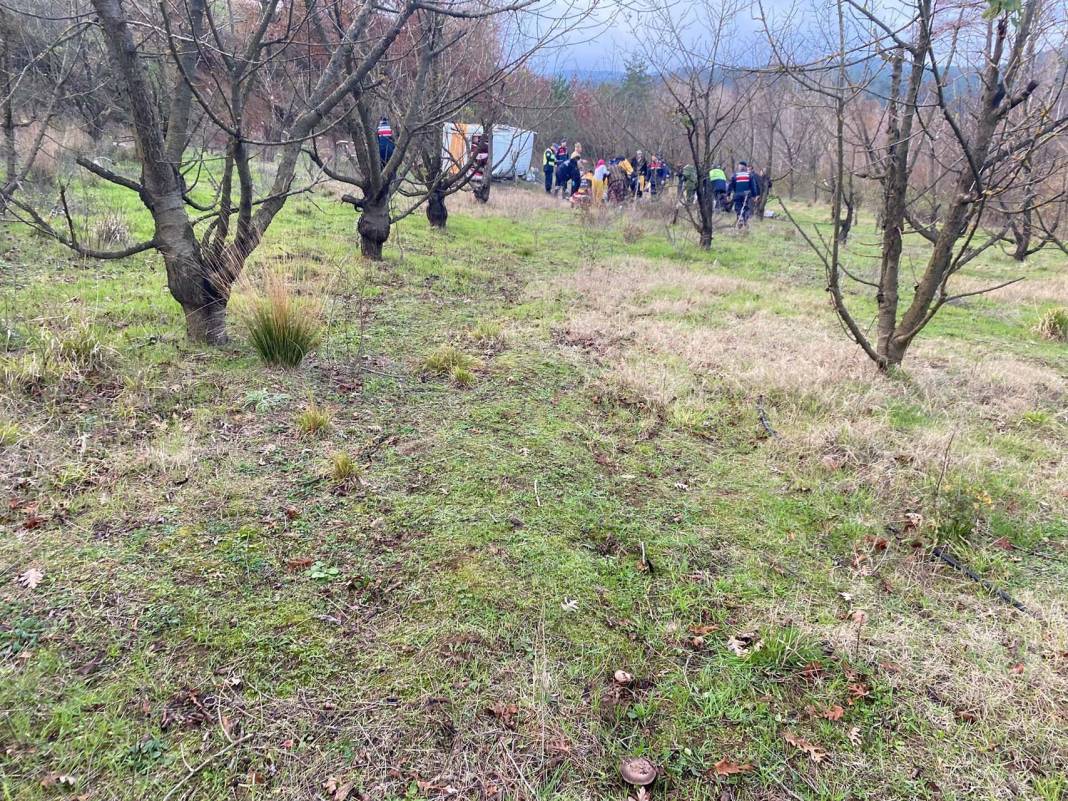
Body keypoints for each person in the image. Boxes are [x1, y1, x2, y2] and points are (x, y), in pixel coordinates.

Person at [729, 160, 760, 225]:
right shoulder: (749, 175)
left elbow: (731, 185)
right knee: (746, 207)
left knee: (738, 207)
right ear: (745, 167)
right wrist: (754, 196)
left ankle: (740, 218)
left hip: (737, 194)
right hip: (747, 194)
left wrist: (728, 194)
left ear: (739, 167)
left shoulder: (735, 175)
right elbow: (753, 186)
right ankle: (744, 220)